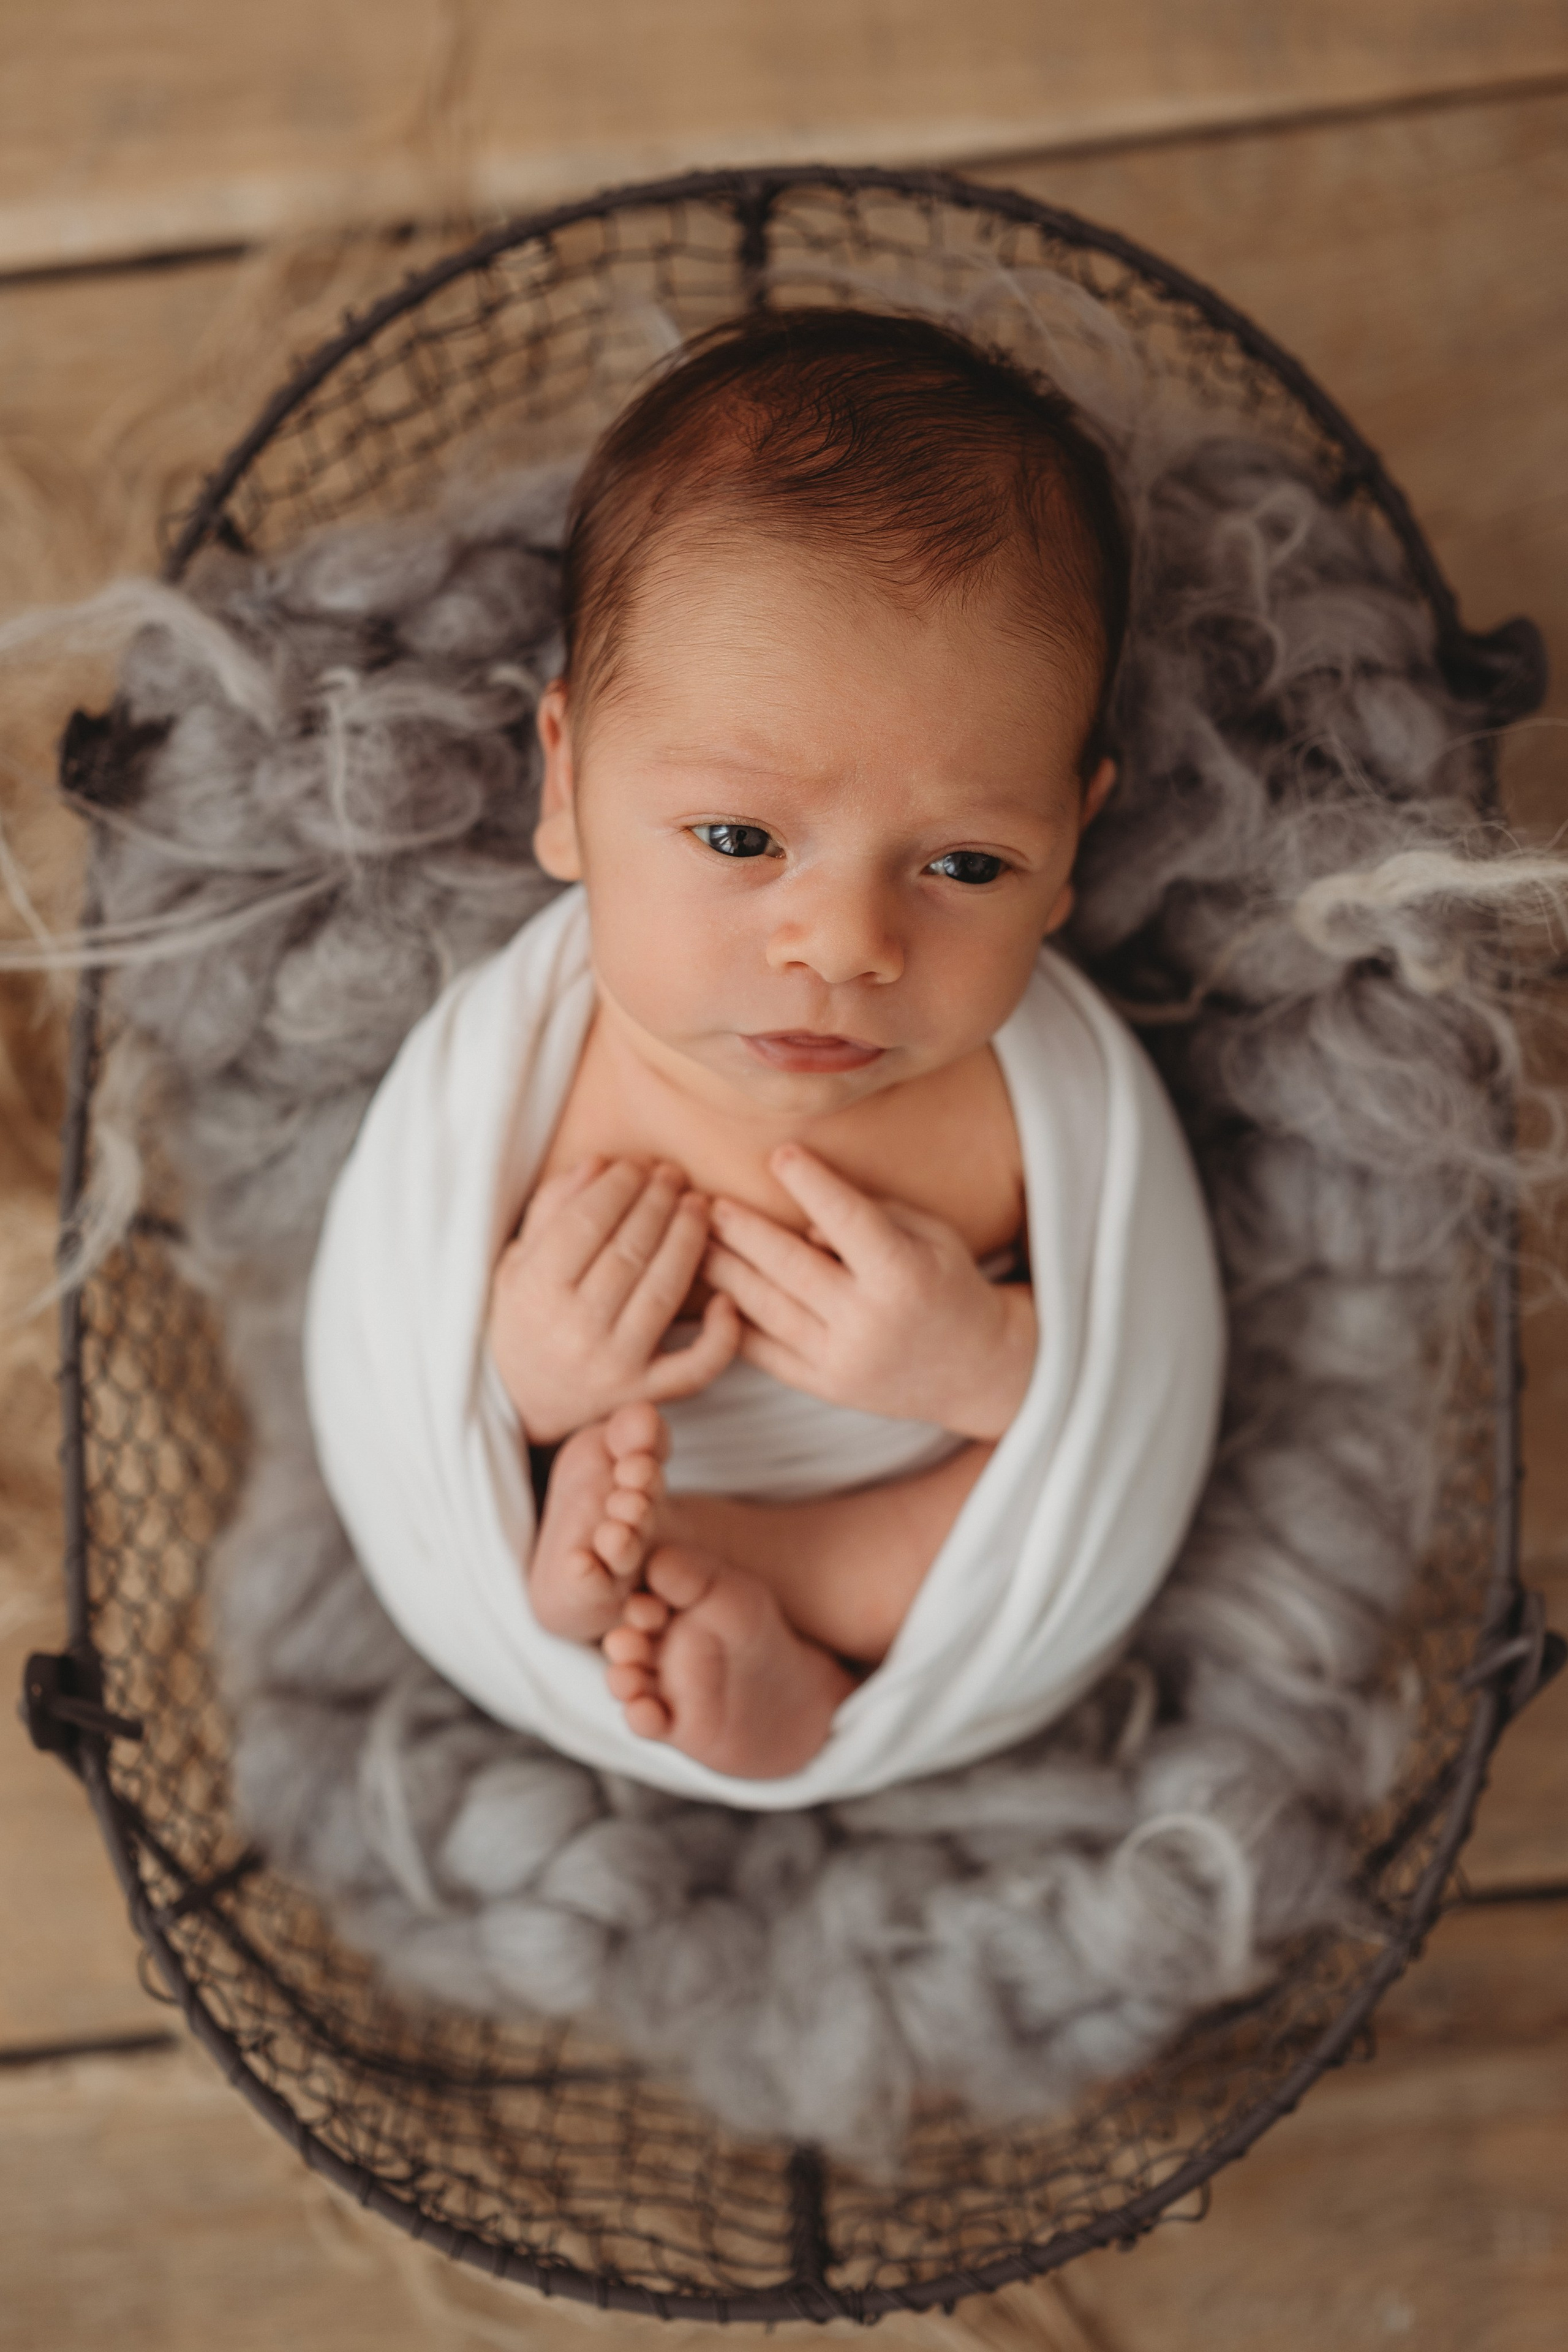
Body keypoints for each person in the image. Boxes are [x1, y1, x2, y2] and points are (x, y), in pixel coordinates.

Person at [484, 307, 1137, 1779]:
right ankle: (620, 1594)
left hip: (895, 1520)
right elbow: (386, 1325)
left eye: (964, 864)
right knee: (534, 1482)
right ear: (567, 786)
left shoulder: (1032, 1102)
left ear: (1069, 843)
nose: (844, 947)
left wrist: (988, 1367)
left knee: (996, 1516)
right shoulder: (527, 1075)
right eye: (738, 839)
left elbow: (1141, 1376)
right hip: (608, 1471)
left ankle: (784, 1630)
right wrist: (522, 1382)